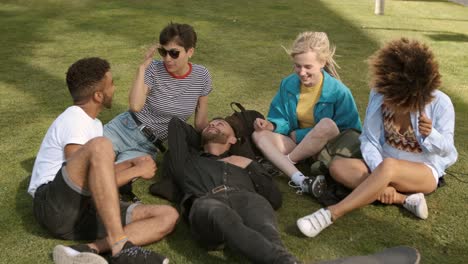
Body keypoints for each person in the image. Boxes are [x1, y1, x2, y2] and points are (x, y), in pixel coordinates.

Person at [296, 38, 458, 238]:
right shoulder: (380, 93)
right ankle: (403, 199)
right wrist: (379, 173)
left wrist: (430, 134)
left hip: (422, 171)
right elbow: (370, 140)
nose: (388, 101)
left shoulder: (440, 103)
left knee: (389, 166)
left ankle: (331, 214)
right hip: (382, 163)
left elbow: (448, 150)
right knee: (338, 166)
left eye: (395, 98)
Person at [28, 57, 179, 264]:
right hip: (52, 206)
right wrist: (135, 171)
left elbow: (99, 179)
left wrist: (129, 164)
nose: (114, 89)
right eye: (112, 84)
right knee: (102, 145)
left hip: (82, 210)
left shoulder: (96, 124)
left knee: (167, 215)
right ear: (98, 95)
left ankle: (85, 250)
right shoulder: (74, 119)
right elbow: (87, 183)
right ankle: (120, 248)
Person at [165, 117, 299, 264]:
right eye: (211, 124)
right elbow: (176, 124)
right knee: (217, 212)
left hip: (247, 199)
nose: (213, 124)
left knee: (266, 229)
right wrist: (205, 136)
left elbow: (274, 199)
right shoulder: (187, 161)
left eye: (220, 124)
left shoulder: (245, 162)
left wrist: (251, 166)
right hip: (207, 202)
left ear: (233, 140)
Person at [104, 22, 212, 198]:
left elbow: (200, 123)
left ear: (190, 52)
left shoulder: (202, 76)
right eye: (164, 52)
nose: (167, 59)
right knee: (89, 163)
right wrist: (141, 69)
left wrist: (215, 139)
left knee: (115, 177)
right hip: (124, 128)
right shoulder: (153, 68)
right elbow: (136, 106)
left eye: (174, 53)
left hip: (148, 147)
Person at [252, 31, 361, 198]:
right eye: (298, 65)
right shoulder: (287, 84)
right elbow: (281, 117)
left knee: (326, 124)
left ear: (322, 62)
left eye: (308, 67)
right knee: (259, 135)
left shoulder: (340, 92)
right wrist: (271, 125)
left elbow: (352, 133)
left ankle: (284, 163)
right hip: (297, 146)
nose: (302, 72)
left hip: (325, 151)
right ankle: (301, 180)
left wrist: (300, 135)